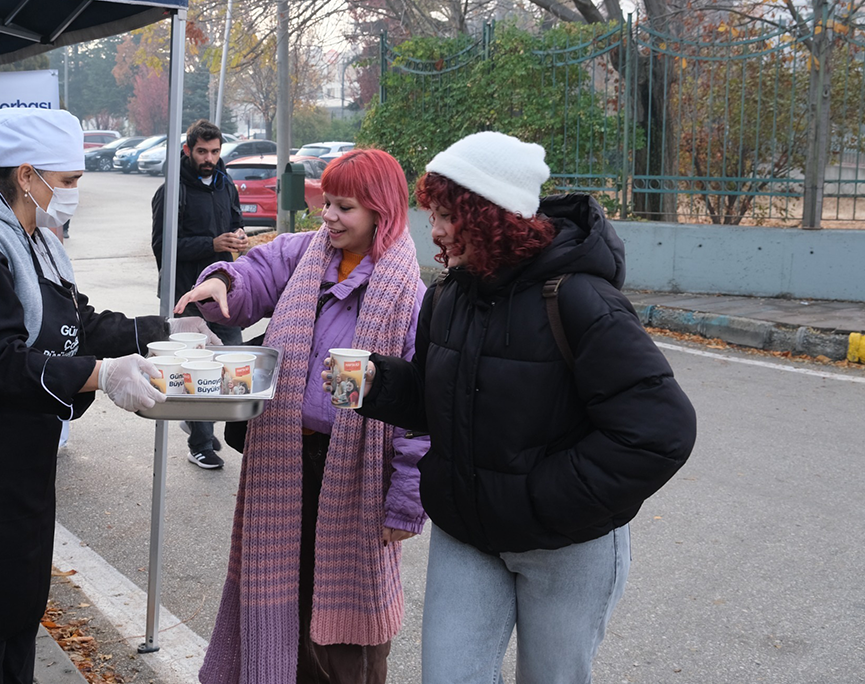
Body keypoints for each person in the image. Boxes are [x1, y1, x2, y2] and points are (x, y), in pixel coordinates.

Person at [0, 108, 220, 684]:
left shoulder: (36, 237)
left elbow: (76, 324)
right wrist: (104, 376)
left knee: (19, 597)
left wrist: (165, 331)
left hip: (11, 447)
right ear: (28, 174)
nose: (73, 195)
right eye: (68, 182)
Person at [341, 132, 696, 684]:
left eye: (444, 215)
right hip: (468, 536)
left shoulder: (580, 299)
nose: (430, 229)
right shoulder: (449, 295)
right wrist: (378, 383)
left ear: (487, 215)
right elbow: (442, 405)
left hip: (566, 546)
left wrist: (541, 497)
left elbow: (659, 432)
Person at [178, 149, 430, 684]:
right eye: (328, 203)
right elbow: (255, 271)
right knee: (280, 599)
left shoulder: (409, 297)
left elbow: (419, 411)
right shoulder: (307, 255)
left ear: (382, 211)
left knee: (343, 626)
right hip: (285, 458)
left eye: (346, 208)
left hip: (357, 478)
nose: (330, 217)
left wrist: (405, 503)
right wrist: (222, 280)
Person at [152, 118, 246, 469]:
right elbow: (163, 247)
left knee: (231, 361)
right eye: (202, 151)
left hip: (224, 294)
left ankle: (198, 422)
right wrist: (210, 244)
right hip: (186, 297)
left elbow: (234, 221)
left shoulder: (225, 184)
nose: (209, 158)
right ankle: (200, 444)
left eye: (215, 151)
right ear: (187, 150)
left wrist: (237, 238)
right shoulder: (171, 190)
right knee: (200, 369)